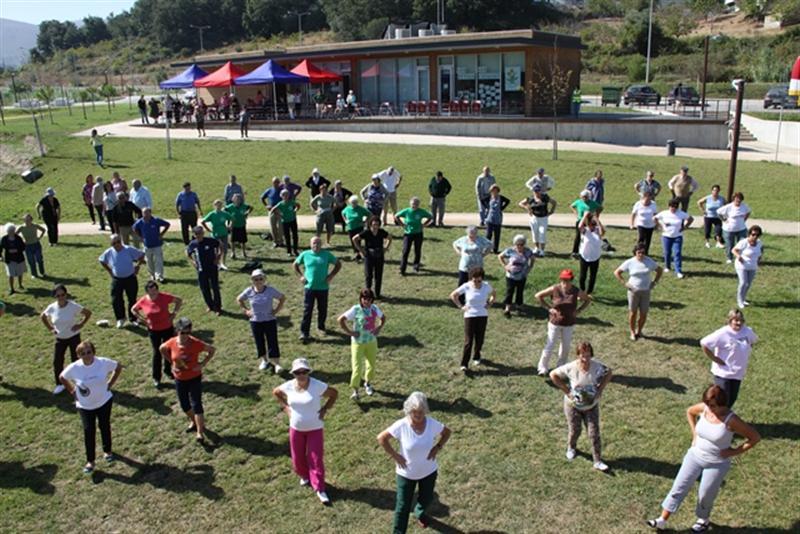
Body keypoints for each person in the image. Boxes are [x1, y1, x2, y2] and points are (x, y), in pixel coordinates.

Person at [645, 385, 761, 532]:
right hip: (694, 456)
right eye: (707, 404)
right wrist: (694, 434)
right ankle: (662, 520)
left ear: (722, 404)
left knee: (705, 494)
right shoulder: (704, 408)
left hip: (716, 463)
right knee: (678, 487)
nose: (709, 408)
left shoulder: (731, 420)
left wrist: (734, 452)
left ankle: (703, 520)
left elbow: (755, 437)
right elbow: (690, 412)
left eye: (713, 405)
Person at [377, 391, 451, 533]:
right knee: (402, 507)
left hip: (428, 471)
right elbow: (381, 438)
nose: (418, 416)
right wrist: (395, 455)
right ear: (409, 411)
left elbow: (447, 432)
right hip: (406, 474)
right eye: (414, 413)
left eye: (421, 413)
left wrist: (438, 447)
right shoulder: (401, 425)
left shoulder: (431, 423)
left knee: (427, 498)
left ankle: (419, 512)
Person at [273, 358, 338, 505]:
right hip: (296, 428)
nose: (301, 374)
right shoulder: (288, 386)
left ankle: (320, 488)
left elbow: (334, 394)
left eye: (304, 371)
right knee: (297, 457)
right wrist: (285, 408)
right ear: (293, 373)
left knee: (316, 458)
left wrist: (325, 408)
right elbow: (276, 392)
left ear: (309, 372)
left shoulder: (317, 385)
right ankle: (305, 476)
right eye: (297, 372)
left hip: (315, 428)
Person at [59, 340, 122, 474]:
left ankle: (107, 451)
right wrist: (72, 391)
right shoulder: (75, 367)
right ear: (78, 355)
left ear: (94, 352)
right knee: (89, 431)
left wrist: (110, 383)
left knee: (104, 425)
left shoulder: (103, 363)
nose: (87, 355)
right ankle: (90, 461)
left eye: (89, 352)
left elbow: (118, 367)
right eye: (83, 353)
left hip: (104, 401)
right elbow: (62, 377)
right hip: (85, 406)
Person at [549, 341, 612, 472]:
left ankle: (597, 461)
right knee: (575, 430)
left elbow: (609, 372)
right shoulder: (571, 367)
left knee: (594, 433)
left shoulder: (597, 366)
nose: (585, 357)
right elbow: (553, 375)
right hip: (573, 406)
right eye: (582, 354)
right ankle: (571, 447)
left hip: (591, 406)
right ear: (578, 355)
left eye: (588, 354)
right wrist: (567, 391)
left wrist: (600, 390)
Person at [160, 317, 217, 443]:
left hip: (194, 378)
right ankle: (194, 421)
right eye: (182, 333)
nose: (185, 336)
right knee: (184, 405)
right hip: (180, 379)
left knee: (197, 404)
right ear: (177, 331)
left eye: (188, 332)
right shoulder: (172, 342)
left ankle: (200, 433)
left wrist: (202, 364)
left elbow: (212, 350)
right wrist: (171, 363)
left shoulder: (196, 343)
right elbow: (162, 349)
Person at [535, 269, 592, 376]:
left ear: (571, 280)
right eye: (563, 280)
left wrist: (579, 310)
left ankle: (560, 368)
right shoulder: (555, 288)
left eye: (567, 280)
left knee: (565, 347)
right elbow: (538, 296)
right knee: (550, 345)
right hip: (555, 323)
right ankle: (542, 368)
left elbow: (588, 299)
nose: (565, 282)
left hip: (569, 323)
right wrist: (549, 308)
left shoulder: (576, 291)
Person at [700, 310, 757, 408]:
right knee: (720, 401)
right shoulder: (723, 333)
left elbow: (753, 341)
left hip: (737, 373)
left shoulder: (747, 331)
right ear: (730, 321)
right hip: (723, 374)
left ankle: (722, 421)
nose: (739, 323)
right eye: (736, 320)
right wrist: (715, 358)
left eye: (741, 320)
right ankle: (707, 419)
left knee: (731, 400)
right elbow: (704, 343)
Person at [41, 284, 92, 394]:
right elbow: (43, 316)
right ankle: (60, 384)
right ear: (55, 296)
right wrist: (50, 328)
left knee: (77, 360)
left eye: (63, 295)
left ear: (66, 294)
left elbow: (88, 313)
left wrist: (81, 324)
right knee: (57, 361)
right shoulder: (52, 307)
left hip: (74, 337)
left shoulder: (73, 306)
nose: (61, 297)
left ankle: (81, 382)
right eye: (58, 295)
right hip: (60, 338)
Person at [131, 281, 182, 387]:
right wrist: (143, 320)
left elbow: (179, 301)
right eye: (151, 292)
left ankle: (168, 371)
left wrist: (174, 314)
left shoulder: (164, 297)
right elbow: (133, 309)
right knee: (157, 353)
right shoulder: (144, 300)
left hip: (167, 328)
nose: (154, 293)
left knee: (168, 350)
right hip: (154, 330)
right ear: (147, 292)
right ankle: (156, 377)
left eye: (155, 290)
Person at [339, 288, 386, 399]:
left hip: (371, 342)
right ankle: (355, 391)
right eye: (364, 299)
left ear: (372, 300)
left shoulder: (374, 309)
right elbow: (341, 320)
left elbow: (383, 318)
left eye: (369, 299)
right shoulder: (355, 309)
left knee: (371, 365)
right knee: (357, 367)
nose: (366, 301)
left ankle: (368, 383)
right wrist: (350, 332)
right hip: (358, 343)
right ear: (361, 299)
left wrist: (379, 328)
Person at [294, 236, 342, 343]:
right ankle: (304, 332)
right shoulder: (305, 254)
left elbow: (338, 264)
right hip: (309, 287)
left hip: (323, 287)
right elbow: (295, 265)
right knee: (308, 310)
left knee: (322, 308)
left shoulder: (326, 254)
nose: (316, 245)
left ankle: (321, 326)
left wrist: (331, 276)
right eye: (314, 243)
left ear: (321, 244)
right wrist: (301, 276)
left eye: (318, 243)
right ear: (310, 244)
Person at [238, 269, 286, 373]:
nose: (258, 281)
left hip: (270, 320)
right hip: (255, 321)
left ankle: (276, 363)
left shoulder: (270, 290)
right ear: (252, 280)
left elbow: (282, 298)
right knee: (259, 341)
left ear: (264, 279)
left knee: (272, 341)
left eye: (261, 279)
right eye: (256, 279)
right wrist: (246, 311)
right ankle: (264, 360)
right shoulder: (249, 291)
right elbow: (239, 299)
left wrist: (276, 310)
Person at [450, 266, 496, 371]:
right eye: (474, 279)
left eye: (479, 280)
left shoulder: (486, 286)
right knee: (468, 341)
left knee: (480, 339)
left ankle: (477, 356)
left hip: (483, 315)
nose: (476, 282)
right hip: (470, 316)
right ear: (471, 278)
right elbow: (453, 295)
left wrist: (490, 303)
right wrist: (461, 306)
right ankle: (464, 364)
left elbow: (494, 294)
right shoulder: (466, 286)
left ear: (482, 278)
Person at [614, 243, 663, 341]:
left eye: (643, 252)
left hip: (646, 291)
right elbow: (617, 272)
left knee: (644, 313)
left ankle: (639, 331)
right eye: (639, 252)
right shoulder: (630, 262)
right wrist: (625, 283)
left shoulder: (649, 261)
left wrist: (654, 282)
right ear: (635, 253)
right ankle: (632, 331)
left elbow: (659, 270)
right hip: (633, 291)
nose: (641, 254)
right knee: (633, 312)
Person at [99, 234, 144, 329]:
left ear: (121, 241)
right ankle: (120, 318)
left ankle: (134, 318)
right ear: (111, 244)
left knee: (132, 298)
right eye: (114, 243)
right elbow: (102, 260)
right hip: (117, 279)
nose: (117, 244)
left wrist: (137, 266)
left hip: (130, 278)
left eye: (118, 242)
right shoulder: (109, 252)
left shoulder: (128, 249)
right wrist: (110, 271)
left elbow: (141, 255)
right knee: (116, 299)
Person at [353, 216, 392, 298]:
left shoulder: (381, 232)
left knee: (378, 275)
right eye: (373, 224)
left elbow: (389, 237)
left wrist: (385, 248)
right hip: (369, 255)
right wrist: (361, 250)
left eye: (377, 225)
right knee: (368, 275)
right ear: (370, 224)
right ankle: (368, 294)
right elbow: (355, 239)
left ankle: (377, 294)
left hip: (379, 255)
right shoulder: (366, 232)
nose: (375, 226)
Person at [654, 198, 693, 279]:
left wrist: (685, 227)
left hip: (677, 237)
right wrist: (659, 226)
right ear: (669, 206)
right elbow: (654, 218)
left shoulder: (681, 214)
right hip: (666, 236)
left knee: (677, 253)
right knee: (667, 252)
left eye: (675, 207)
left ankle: (678, 271)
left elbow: (690, 219)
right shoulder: (664, 213)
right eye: (672, 207)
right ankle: (667, 266)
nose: (673, 209)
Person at [187, 226, 222, 315]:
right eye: (197, 234)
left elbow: (220, 245)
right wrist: (193, 262)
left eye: (201, 233)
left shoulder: (210, 241)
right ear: (194, 235)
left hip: (212, 268)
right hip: (201, 270)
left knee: (215, 288)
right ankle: (210, 305)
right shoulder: (193, 244)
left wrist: (218, 257)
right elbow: (188, 253)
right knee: (204, 288)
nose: (199, 236)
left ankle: (218, 307)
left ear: (203, 233)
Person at [498, 234, 535, 316]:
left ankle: (519, 305)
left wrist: (530, 267)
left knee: (520, 291)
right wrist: (505, 266)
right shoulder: (510, 250)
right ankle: (508, 307)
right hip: (510, 276)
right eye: (517, 244)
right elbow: (500, 256)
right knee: (509, 291)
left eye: (521, 244)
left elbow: (533, 259)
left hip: (522, 275)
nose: (519, 246)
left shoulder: (528, 251)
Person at [396, 197, 433, 275]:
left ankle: (416, 266)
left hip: (418, 234)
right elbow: (396, 216)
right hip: (408, 234)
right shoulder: (406, 211)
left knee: (417, 250)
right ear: (410, 204)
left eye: (416, 204)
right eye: (413, 204)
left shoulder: (421, 212)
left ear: (418, 205)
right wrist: (402, 224)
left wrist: (424, 225)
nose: (414, 206)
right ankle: (402, 268)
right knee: (405, 251)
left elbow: (430, 217)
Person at [133, 207, 171, 282]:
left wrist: (161, 234)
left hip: (157, 245)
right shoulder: (140, 222)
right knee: (149, 261)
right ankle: (152, 275)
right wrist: (141, 237)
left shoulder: (156, 220)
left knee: (159, 261)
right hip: (147, 245)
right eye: (144, 213)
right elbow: (134, 228)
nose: (145, 215)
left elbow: (167, 224)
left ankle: (159, 276)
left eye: (147, 213)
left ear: (150, 213)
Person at [519, 185, 557, 257]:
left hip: (543, 218)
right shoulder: (531, 198)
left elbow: (554, 202)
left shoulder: (545, 197)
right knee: (535, 233)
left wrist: (552, 211)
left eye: (538, 191)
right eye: (535, 191)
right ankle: (536, 248)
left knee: (542, 233)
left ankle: (542, 250)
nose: (537, 193)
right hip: (534, 217)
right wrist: (527, 208)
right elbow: (520, 203)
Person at [732, 225, 763, 309]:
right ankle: (739, 301)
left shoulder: (759, 243)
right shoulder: (744, 242)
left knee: (748, 284)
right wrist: (738, 256)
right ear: (749, 234)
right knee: (743, 283)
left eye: (757, 235)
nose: (755, 236)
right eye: (753, 234)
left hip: (752, 266)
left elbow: (760, 253)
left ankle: (743, 298)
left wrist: (759, 260)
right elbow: (734, 250)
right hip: (741, 265)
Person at [717, 192, 751, 264]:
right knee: (730, 244)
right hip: (729, 229)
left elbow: (748, 212)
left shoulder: (744, 206)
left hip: (741, 229)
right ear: (734, 199)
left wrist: (744, 219)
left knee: (742, 243)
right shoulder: (729, 207)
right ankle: (729, 258)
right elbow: (718, 212)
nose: (738, 200)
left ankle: (740, 257)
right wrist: (724, 220)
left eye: (740, 199)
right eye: (736, 198)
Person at [577, 213, 605, 296]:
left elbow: (602, 232)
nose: (592, 226)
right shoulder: (585, 231)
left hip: (595, 257)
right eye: (590, 224)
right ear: (588, 224)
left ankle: (589, 292)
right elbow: (579, 226)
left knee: (593, 276)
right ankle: (582, 291)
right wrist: (585, 216)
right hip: (584, 256)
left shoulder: (598, 231)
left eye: (594, 224)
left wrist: (597, 220)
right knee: (583, 276)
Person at [202, 199, 233, 271]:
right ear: (214, 206)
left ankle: (223, 263)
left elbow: (232, 218)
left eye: (220, 205)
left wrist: (230, 226)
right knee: (217, 250)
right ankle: (217, 263)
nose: (218, 206)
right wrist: (208, 229)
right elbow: (203, 221)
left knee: (224, 249)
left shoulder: (224, 213)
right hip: (215, 234)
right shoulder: (212, 214)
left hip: (224, 233)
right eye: (217, 205)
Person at [569, 190, 600, 258]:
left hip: (589, 222)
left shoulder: (592, 203)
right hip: (580, 221)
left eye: (586, 197)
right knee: (578, 236)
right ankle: (575, 252)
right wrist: (575, 213)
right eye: (583, 197)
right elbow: (571, 206)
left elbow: (600, 207)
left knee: (589, 236)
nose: (584, 198)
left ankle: (589, 251)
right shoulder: (578, 202)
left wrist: (596, 215)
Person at [271, 190, 300, 257]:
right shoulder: (281, 204)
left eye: (287, 195)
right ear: (281, 196)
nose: (286, 196)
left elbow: (298, 205)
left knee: (295, 235)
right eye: (284, 195)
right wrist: (279, 215)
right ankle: (289, 251)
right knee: (287, 237)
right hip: (285, 222)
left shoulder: (291, 202)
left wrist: (295, 210)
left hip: (293, 220)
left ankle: (295, 250)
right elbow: (273, 209)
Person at [343, 196, 372, 262]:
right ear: (350, 203)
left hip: (359, 228)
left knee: (358, 241)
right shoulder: (347, 209)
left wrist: (365, 221)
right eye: (353, 203)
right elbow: (343, 213)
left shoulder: (361, 209)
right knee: (352, 242)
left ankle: (359, 254)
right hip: (350, 228)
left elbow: (369, 214)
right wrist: (345, 220)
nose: (354, 204)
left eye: (355, 202)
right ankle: (357, 254)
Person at [484, 184, 511, 254]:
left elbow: (508, 201)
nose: (494, 192)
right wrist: (487, 207)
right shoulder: (489, 197)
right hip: (490, 218)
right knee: (488, 234)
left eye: (495, 190)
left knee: (497, 235)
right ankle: (487, 248)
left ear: (498, 191)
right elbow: (482, 200)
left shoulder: (501, 198)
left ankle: (495, 249)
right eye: (493, 190)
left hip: (498, 218)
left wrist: (502, 208)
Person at [697, 185, 725, 249]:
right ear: (712, 191)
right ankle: (707, 242)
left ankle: (718, 243)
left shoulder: (721, 198)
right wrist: (703, 211)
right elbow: (699, 202)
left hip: (717, 217)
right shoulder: (708, 198)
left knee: (718, 230)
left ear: (719, 191)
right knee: (707, 230)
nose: (715, 192)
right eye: (714, 190)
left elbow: (726, 205)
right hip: (708, 217)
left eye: (717, 190)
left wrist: (724, 213)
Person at [225, 193, 253, 260]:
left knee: (243, 240)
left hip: (242, 224)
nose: (237, 200)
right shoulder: (230, 207)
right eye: (236, 199)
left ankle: (244, 252)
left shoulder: (244, 206)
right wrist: (229, 219)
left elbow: (251, 207)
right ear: (233, 199)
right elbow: (224, 211)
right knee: (233, 240)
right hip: (234, 225)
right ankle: (233, 253)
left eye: (239, 199)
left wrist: (247, 213)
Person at [630, 191, 658, 255]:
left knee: (648, 240)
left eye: (649, 198)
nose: (647, 200)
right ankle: (638, 251)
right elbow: (633, 214)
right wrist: (632, 224)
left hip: (650, 225)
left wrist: (656, 224)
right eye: (646, 198)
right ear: (643, 198)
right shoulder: (638, 204)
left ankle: (645, 253)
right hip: (641, 224)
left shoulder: (653, 204)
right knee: (641, 238)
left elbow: (655, 214)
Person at [1, 224, 26, 294]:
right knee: (10, 274)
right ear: (7, 231)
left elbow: (23, 247)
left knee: (20, 273)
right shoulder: (4, 239)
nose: (11, 232)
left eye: (12, 230)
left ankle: (20, 285)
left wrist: (17, 250)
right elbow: (0, 248)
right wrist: (0, 256)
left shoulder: (18, 238)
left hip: (19, 259)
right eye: (10, 231)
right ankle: (11, 288)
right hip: (9, 260)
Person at [260, 177, 285, 248]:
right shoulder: (269, 190)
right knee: (272, 226)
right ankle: (275, 241)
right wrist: (266, 205)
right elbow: (262, 198)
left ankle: (281, 241)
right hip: (271, 210)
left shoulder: (282, 190)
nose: (276, 183)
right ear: (272, 183)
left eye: (277, 182)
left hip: (280, 210)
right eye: (275, 182)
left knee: (280, 227)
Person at [19, 214, 46, 278]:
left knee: (39, 259)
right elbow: (15, 234)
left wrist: (39, 237)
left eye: (28, 220)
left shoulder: (35, 225)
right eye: (25, 220)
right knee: (31, 261)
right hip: (27, 246)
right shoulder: (22, 227)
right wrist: (22, 241)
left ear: (31, 220)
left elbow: (43, 230)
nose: (27, 221)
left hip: (36, 244)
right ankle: (34, 274)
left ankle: (42, 272)